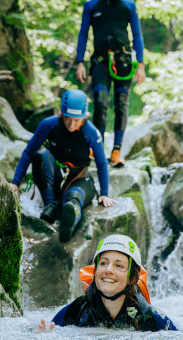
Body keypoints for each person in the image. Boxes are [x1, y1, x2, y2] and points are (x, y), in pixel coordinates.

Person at [9, 89, 116, 242]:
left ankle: (69, 222)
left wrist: (104, 193)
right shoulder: (48, 124)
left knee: (74, 198)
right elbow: (28, 152)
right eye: (67, 119)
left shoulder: (91, 132)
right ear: (61, 113)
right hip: (55, 177)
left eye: (76, 120)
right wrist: (15, 182)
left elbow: (101, 163)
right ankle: (50, 205)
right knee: (40, 154)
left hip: (79, 178)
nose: (71, 124)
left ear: (84, 117)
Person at [75, 0, 146, 168]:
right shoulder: (91, 6)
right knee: (100, 101)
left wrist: (141, 64)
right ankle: (96, 149)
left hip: (123, 61)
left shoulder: (129, 6)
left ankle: (116, 151)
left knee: (121, 103)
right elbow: (83, 34)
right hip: (100, 61)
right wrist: (79, 62)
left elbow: (137, 35)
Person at [37, 235, 177, 331]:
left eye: (119, 266)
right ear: (95, 270)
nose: (108, 270)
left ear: (133, 277)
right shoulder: (75, 311)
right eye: (103, 263)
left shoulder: (150, 318)